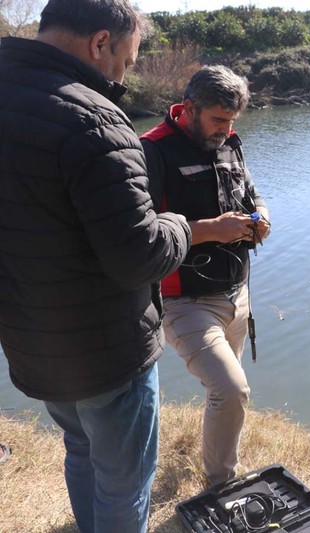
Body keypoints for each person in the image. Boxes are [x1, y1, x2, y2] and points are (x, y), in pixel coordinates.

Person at [0, 0, 192, 531]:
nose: (123, 74)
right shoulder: (94, 118)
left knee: (81, 451)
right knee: (124, 482)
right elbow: (140, 256)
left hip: (30, 337)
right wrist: (182, 226)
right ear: (100, 43)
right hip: (105, 349)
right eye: (127, 61)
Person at [141, 65, 271, 487]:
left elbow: (252, 194)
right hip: (182, 300)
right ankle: (221, 485)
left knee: (224, 391)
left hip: (236, 295)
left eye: (232, 121)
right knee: (231, 390)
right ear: (190, 109)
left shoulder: (231, 141)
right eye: (218, 120)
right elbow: (142, 234)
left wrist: (261, 217)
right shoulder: (151, 151)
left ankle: (215, 457)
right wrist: (214, 229)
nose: (225, 130)